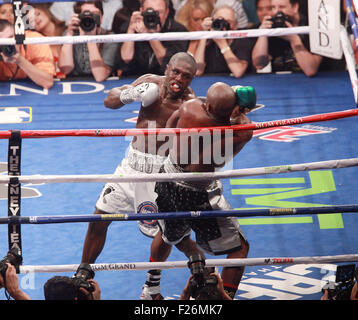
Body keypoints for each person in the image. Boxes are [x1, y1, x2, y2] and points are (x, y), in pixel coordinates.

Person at [140, 82, 255, 300]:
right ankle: (223, 298)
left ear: (208, 104)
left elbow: (168, 131)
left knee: (166, 234)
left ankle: (150, 289)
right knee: (240, 248)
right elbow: (223, 154)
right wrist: (241, 113)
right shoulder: (235, 131)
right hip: (196, 193)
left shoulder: (189, 106)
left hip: (167, 177)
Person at [81, 52, 197, 265]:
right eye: (176, 72)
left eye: (186, 76)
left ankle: (201, 269)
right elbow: (109, 101)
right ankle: (83, 271)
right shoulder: (149, 82)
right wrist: (129, 95)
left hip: (161, 175)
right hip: (131, 166)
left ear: (192, 79)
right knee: (99, 218)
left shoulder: (190, 104)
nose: (179, 79)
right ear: (167, 69)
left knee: (174, 236)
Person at [115, 0, 189, 76]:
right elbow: (125, 60)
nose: (153, 16)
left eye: (158, 12)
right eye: (149, 11)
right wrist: (130, 30)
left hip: (163, 79)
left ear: (167, 12)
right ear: (141, 10)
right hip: (134, 79)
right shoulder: (130, 27)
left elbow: (170, 66)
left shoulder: (178, 31)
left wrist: (150, 35)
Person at [251, 0, 322, 77]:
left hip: (315, 83)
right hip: (280, 82)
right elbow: (259, 64)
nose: (277, 12)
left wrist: (294, 39)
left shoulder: (312, 27)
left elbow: (310, 70)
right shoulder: (272, 27)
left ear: (295, 7)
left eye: (282, 7)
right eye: (273, 7)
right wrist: (263, 34)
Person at [59, 1, 118, 82]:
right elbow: (65, 69)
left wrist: (90, 38)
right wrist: (69, 34)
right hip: (74, 84)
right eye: (86, 14)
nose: (90, 18)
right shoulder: (70, 34)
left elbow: (100, 76)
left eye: (94, 14)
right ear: (78, 16)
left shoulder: (109, 37)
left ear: (101, 17)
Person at [194, 5, 255, 78]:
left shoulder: (242, 40)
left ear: (236, 26)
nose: (222, 25)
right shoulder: (208, 41)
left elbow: (238, 72)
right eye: (219, 21)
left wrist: (222, 44)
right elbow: (197, 71)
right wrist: (204, 34)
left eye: (227, 22)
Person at [0, 19, 55, 89]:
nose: (9, 44)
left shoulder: (34, 40)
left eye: (11, 37)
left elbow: (47, 82)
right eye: (3, 42)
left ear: (17, 34)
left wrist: (19, 60)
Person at [32, 3, 66, 79]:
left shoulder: (67, 32)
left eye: (38, 14)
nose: (35, 19)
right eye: (31, 20)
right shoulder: (36, 43)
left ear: (47, 12)